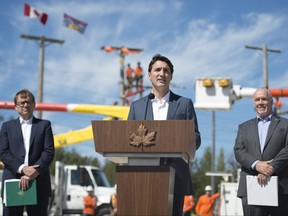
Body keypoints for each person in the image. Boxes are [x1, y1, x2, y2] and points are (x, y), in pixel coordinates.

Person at [128, 54, 201, 216]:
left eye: (166, 71)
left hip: (175, 175)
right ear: (149, 75)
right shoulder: (137, 107)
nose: (162, 74)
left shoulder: (184, 104)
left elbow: (196, 137)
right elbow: (128, 139)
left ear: (171, 76)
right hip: (143, 175)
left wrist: (177, 140)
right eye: (157, 70)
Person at [0, 89, 55, 216]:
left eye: (29, 102)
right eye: (22, 103)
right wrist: (23, 169)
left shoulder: (45, 125)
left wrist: (35, 171)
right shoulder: (6, 127)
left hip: (39, 182)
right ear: (15, 107)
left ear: (34, 105)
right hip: (13, 182)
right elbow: (3, 152)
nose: (25, 105)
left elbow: (49, 151)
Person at [234, 88, 288, 216]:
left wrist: (270, 167)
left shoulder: (285, 124)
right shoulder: (244, 127)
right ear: (253, 103)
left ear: (271, 101)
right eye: (257, 99)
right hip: (251, 186)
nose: (260, 102)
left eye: (263, 99)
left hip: (280, 186)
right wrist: (256, 164)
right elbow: (238, 150)